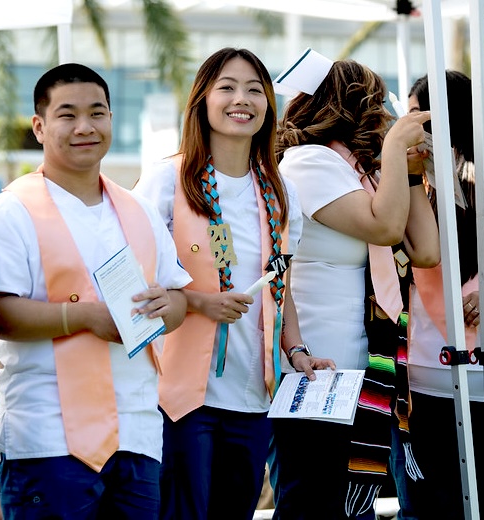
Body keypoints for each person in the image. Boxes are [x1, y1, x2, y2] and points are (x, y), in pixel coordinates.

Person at [133, 47, 334, 520]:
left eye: (254, 89)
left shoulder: (279, 190)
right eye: (227, 86)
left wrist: (298, 351)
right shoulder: (168, 179)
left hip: (251, 395)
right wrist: (201, 302)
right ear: (202, 100)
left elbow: (277, 287)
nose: (241, 99)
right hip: (181, 395)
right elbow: (138, 286)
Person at [0, 62, 191, 519]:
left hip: (135, 432)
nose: (85, 127)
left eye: (97, 113)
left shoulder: (137, 209)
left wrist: (167, 306)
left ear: (112, 120)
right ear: (39, 126)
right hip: (48, 435)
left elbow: (177, 298)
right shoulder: (8, 212)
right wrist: (83, 317)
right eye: (67, 115)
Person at [270, 50, 439, 520]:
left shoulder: (362, 171)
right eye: (373, 101)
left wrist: (404, 170)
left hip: (367, 368)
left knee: (351, 510)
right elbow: (383, 229)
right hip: (315, 369)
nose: (382, 113)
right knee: (315, 504)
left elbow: (424, 251)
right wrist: (390, 150)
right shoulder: (308, 163)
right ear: (342, 105)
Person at [404, 70, 483, 520]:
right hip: (421, 376)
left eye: (417, 114)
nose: (408, 125)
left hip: (476, 372)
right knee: (431, 504)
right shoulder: (409, 186)